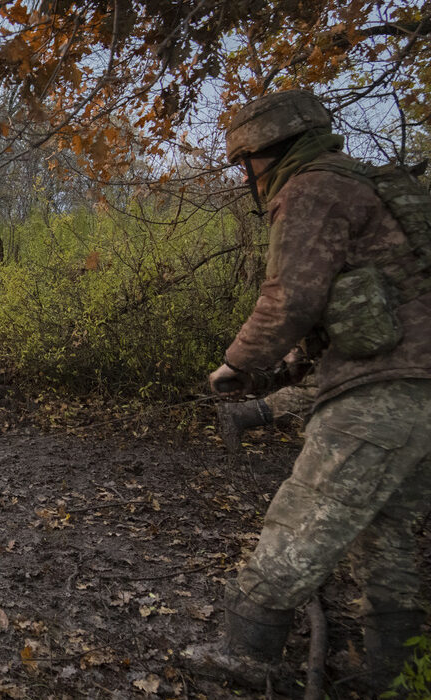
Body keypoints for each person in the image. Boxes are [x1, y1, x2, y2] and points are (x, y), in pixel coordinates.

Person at [185, 89, 431, 692]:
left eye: (245, 164)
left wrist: (235, 364)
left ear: (266, 153)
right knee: (388, 536)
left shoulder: (311, 189)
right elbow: (349, 304)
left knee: (304, 517)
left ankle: (248, 649)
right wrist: (286, 368)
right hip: (421, 393)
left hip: (382, 395)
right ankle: (396, 674)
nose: (245, 177)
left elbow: (290, 298)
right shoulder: (378, 189)